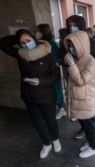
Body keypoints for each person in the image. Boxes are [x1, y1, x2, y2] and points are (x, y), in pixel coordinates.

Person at [0, 29, 61, 159]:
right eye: (23, 42)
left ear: (35, 39)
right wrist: (17, 37)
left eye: (28, 40)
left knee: (50, 120)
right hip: (29, 96)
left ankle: (55, 139)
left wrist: (41, 82)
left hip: (46, 95)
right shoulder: (21, 54)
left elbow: (56, 76)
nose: (26, 44)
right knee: (38, 122)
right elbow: (2, 43)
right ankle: (46, 143)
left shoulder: (47, 54)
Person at [66, 15, 95, 140]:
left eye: (74, 25)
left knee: (92, 109)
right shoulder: (70, 42)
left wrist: (94, 83)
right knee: (81, 111)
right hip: (76, 81)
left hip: (90, 83)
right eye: (70, 26)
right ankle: (86, 129)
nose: (72, 28)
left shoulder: (92, 44)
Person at [63, 31, 95, 158]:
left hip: (85, 100)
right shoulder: (78, 59)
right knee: (84, 124)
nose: (71, 49)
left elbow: (80, 81)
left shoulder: (91, 61)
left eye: (74, 46)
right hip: (79, 100)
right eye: (70, 46)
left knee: (89, 126)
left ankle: (94, 147)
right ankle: (90, 143)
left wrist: (72, 65)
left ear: (81, 45)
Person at [36, 24, 67, 120]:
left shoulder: (51, 43)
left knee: (56, 90)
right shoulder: (44, 42)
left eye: (38, 31)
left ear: (43, 32)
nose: (36, 33)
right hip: (47, 71)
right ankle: (59, 107)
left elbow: (53, 59)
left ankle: (62, 109)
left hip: (52, 71)